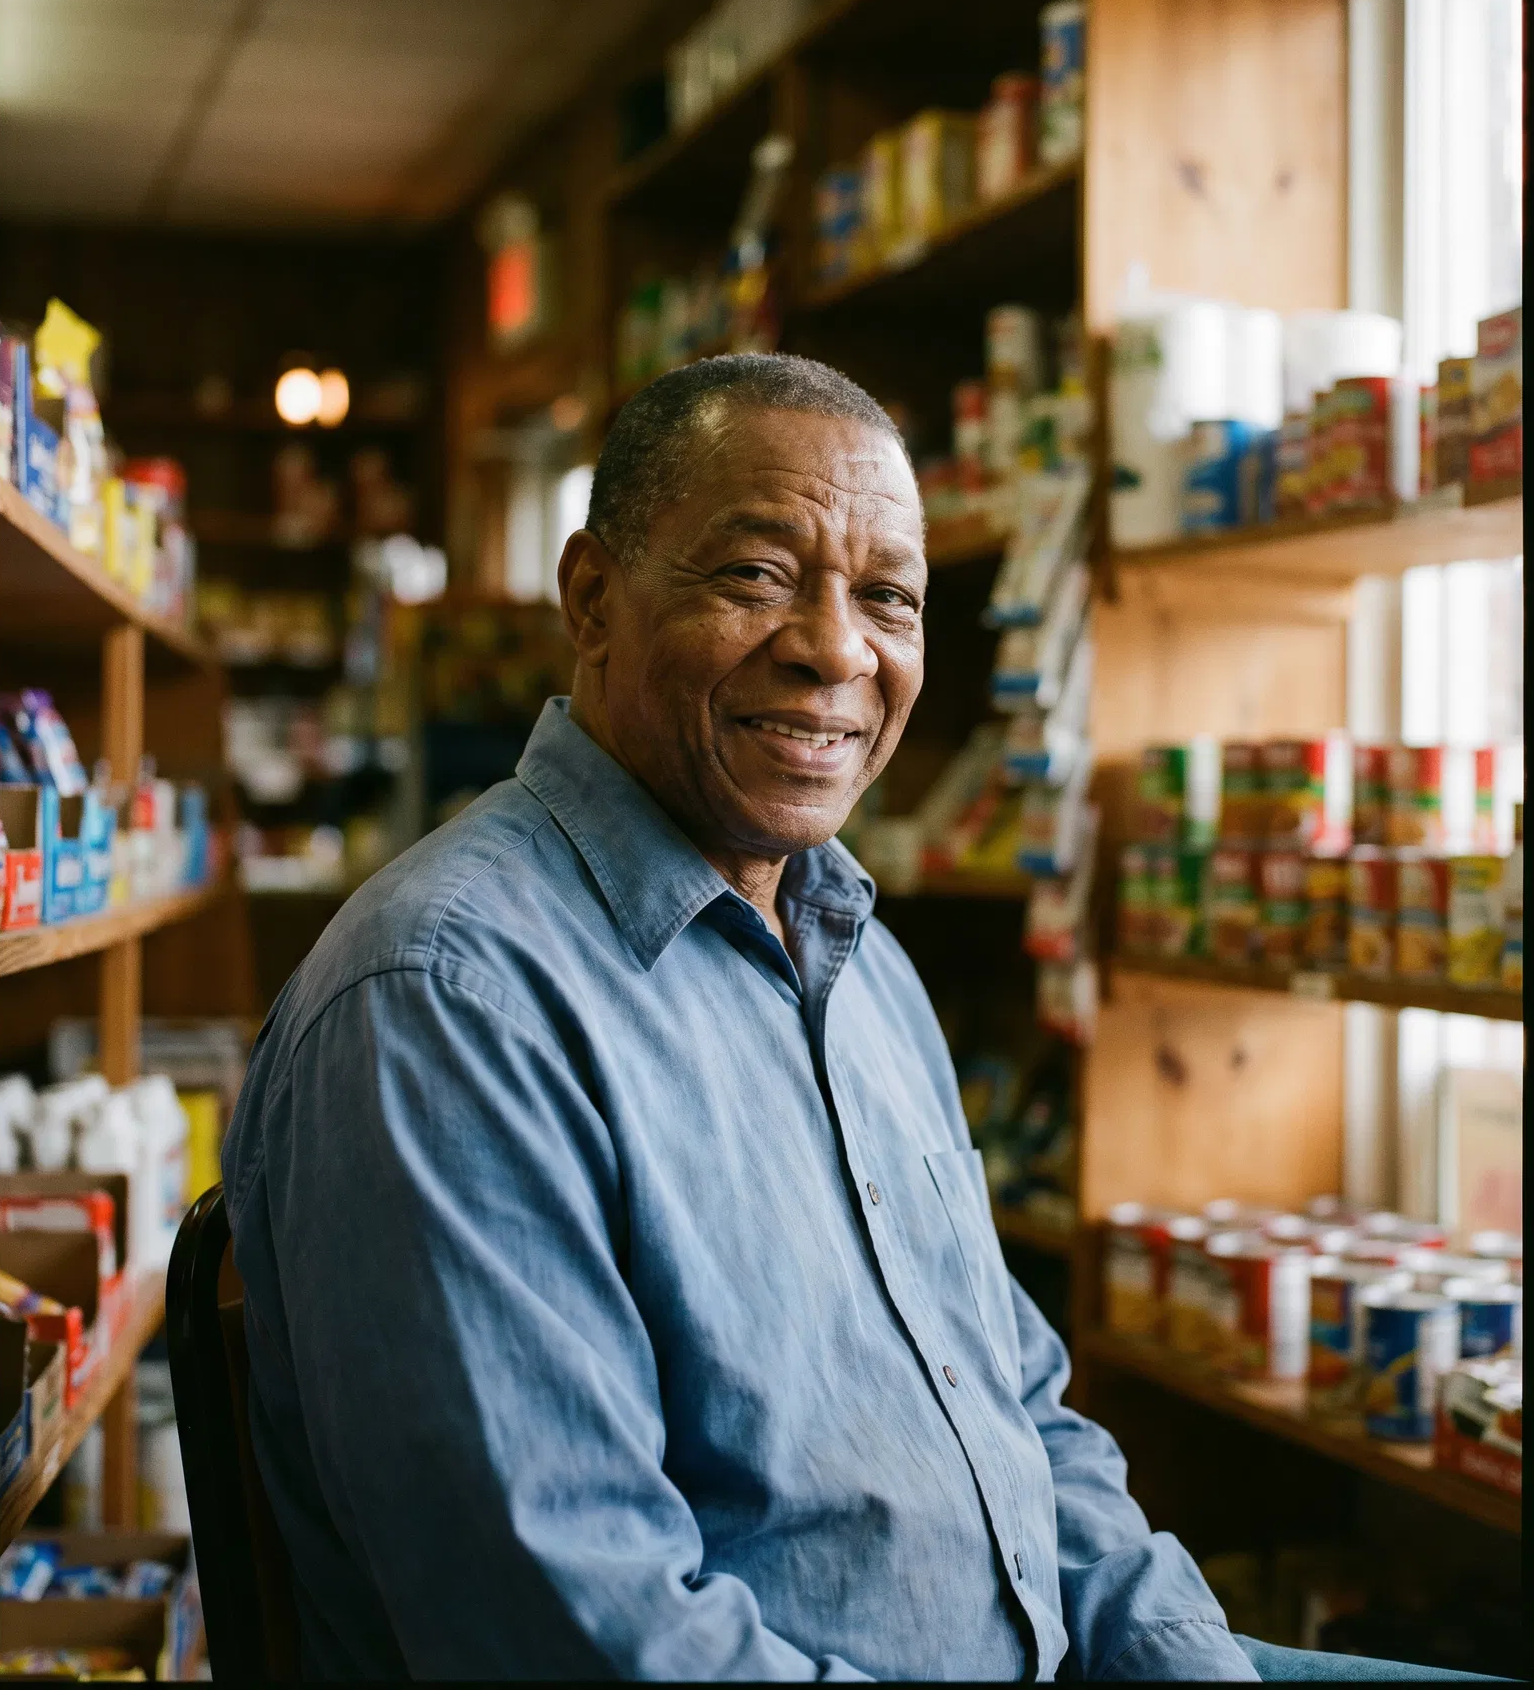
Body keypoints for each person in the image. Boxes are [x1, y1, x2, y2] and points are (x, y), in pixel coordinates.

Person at [222, 355, 1502, 1682]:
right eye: (754, 576)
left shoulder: (855, 956)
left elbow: (1019, 1414)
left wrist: (1184, 1662)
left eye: (887, 596)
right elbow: (583, 1636)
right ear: (592, 597)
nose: (837, 648)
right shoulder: (448, 1006)